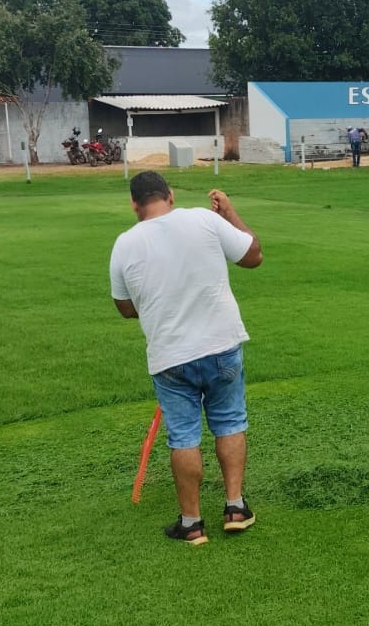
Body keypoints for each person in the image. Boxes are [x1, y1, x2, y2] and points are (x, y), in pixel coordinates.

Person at [110, 171, 264, 544]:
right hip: (222, 344)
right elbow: (253, 255)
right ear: (170, 195)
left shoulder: (124, 244)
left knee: (183, 436)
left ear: (134, 204)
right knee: (229, 422)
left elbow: (126, 309)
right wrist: (229, 212)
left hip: (170, 355)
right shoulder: (203, 218)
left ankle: (192, 523)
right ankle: (235, 506)